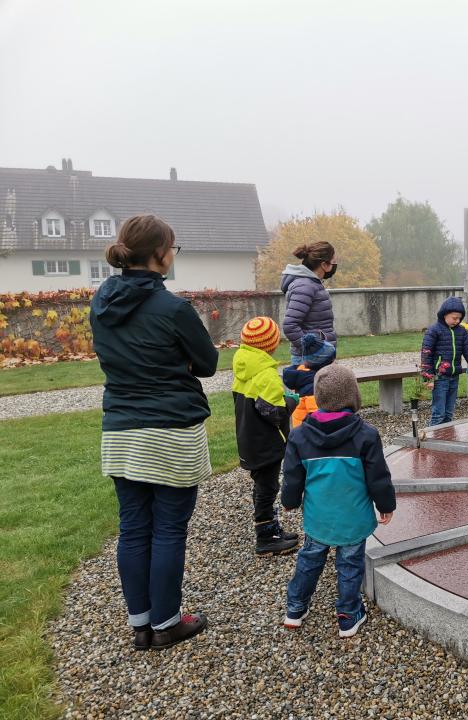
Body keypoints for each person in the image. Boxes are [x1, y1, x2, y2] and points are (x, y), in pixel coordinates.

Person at [90, 213, 218, 651]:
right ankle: (166, 623)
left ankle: (141, 624)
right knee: (167, 529)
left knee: (133, 527)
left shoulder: (101, 303)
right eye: (172, 249)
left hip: (120, 429)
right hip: (171, 431)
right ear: (161, 254)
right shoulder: (173, 308)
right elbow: (207, 363)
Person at [280, 364, 396, 637]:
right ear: (353, 396)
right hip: (353, 517)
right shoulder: (366, 435)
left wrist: (290, 500)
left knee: (309, 560)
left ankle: (295, 608)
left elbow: (292, 476)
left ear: (318, 396)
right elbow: (378, 477)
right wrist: (386, 505)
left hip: (318, 518)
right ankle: (348, 614)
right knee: (350, 565)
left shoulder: (299, 435)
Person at [232, 316, 301, 556]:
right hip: (267, 442)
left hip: (248, 438)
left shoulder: (243, 368)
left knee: (262, 485)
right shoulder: (266, 374)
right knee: (268, 488)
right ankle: (266, 538)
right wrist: (291, 401)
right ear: (271, 344)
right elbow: (275, 413)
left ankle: (271, 528)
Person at [420, 296, 468, 426]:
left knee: (449, 413)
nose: (457, 321)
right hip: (439, 378)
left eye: (459, 318)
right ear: (444, 314)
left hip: (454, 377)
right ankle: (433, 437)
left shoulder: (461, 332)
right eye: (454, 318)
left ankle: (446, 436)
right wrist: (428, 377)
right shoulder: (434, 330)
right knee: (439, 414)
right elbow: (426, 354)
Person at [281, 241, 338, 364]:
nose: (335, 266)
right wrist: (313, 350)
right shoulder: (305, 286)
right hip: (310, 360)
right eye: (333, 262)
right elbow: (290, 325)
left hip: (319, 357)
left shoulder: (312, 284)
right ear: (324, 265)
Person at [282, 332, 337, 428]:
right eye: (333, 361)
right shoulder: (313, 386)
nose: (335, 364)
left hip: (302, 430)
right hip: (309, 433)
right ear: (324, 365)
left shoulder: (304, 375)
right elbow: (318, 420)